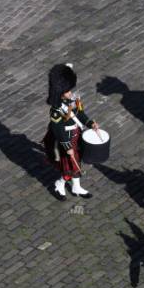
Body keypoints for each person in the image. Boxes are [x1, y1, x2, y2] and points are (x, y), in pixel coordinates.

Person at [42, 64, 100, 200]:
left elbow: (80, 115)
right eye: (67, 91)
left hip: (76, 135)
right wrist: (67, 146)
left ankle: (76, 186)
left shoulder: (73, 101)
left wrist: (91, 124)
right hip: (65, 140)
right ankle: (60, 183)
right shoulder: (56, 110)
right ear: (60, 92)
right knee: (70, 166)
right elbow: (58, 129)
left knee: (76, 163)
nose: (70, 93)